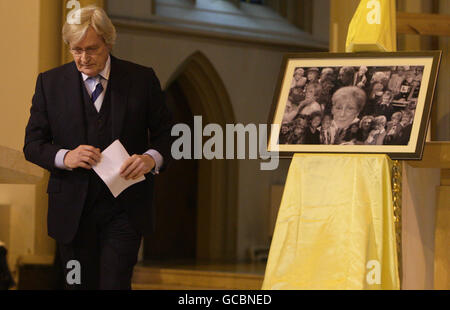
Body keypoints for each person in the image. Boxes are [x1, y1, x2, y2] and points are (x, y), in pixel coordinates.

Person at [23, 6, 172, 290]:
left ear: (108, 42)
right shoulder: (49, 83)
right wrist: (65, 156)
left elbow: (169, 135)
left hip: (125, 211)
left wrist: (151, 159)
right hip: (72, 214)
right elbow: (32, 145)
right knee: (76, 285)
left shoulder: (141, 80)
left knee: (114, 285)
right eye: (75, 50)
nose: (83, 58)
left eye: (91, 49)